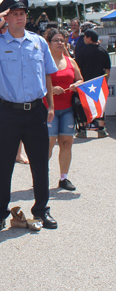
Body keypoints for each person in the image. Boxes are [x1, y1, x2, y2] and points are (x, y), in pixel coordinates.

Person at [0, 0, 58, 232]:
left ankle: (42, 210)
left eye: (22, 14)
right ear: (5, 18)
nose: (20, 18)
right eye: (14, 14)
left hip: (35, 110)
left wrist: (50, 104)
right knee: (4, 164)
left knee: (40, 164)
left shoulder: (38, 42)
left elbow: (48, 73)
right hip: (9, 111)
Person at [46, 29, 84, 191]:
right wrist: (51, 89)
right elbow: (36, 83)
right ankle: (42, 177)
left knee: (67, 144)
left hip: (68, 109)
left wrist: (77, 85)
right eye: (56, 40)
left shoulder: (71, 61)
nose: (60, 43)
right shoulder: (44, 62)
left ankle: (64, 178)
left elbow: (81, 79)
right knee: (48, 146)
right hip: (49, 109)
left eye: (62, 40)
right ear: (49, 43)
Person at [74, 29, 111, 138]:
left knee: (83, 106)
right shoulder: (103, 51)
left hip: (84, 84)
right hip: (98, 83)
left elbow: (77, 69)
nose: (84, 39)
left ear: (89, 38)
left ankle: (82, 130)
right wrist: (105, 82)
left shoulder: (81, 51)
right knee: (99, 106)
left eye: (85, 37)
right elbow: (107, 70)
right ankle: (101, 130)